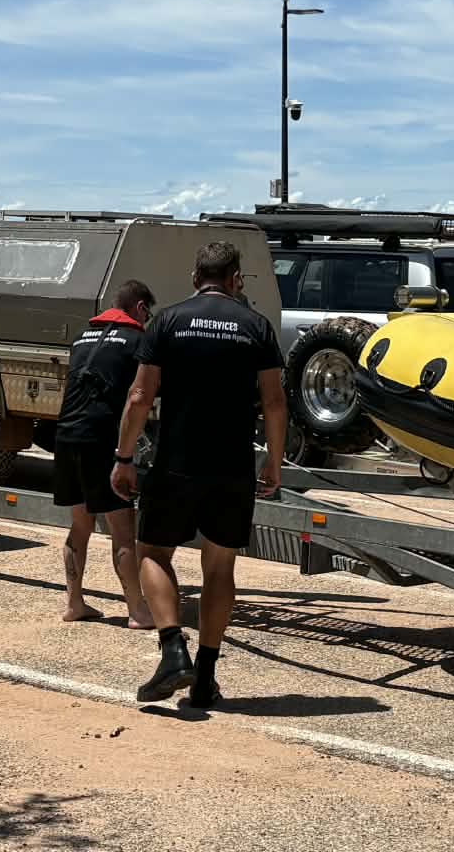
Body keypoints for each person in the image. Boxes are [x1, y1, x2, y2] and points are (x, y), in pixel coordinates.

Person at [110, 240, 287, 707]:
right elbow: (274, 401)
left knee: (153, 553)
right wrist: (274, 458)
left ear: (195, 278)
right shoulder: (257, 326)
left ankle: (173, 650)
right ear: (236, 280)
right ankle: (206, 675)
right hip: (232, 466)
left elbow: (139, 397)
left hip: (177, 462)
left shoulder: (167, 321)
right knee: (220, 567)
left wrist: (124, 457)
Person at [52, 279, 158, 627]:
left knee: (79, 525)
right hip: (101, 440)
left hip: (67, 434)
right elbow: (143, 393)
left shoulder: (83, 337)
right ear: (140, 308)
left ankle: (73, 603)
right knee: (122, 529)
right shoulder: (137, 339)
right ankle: (137, 611)